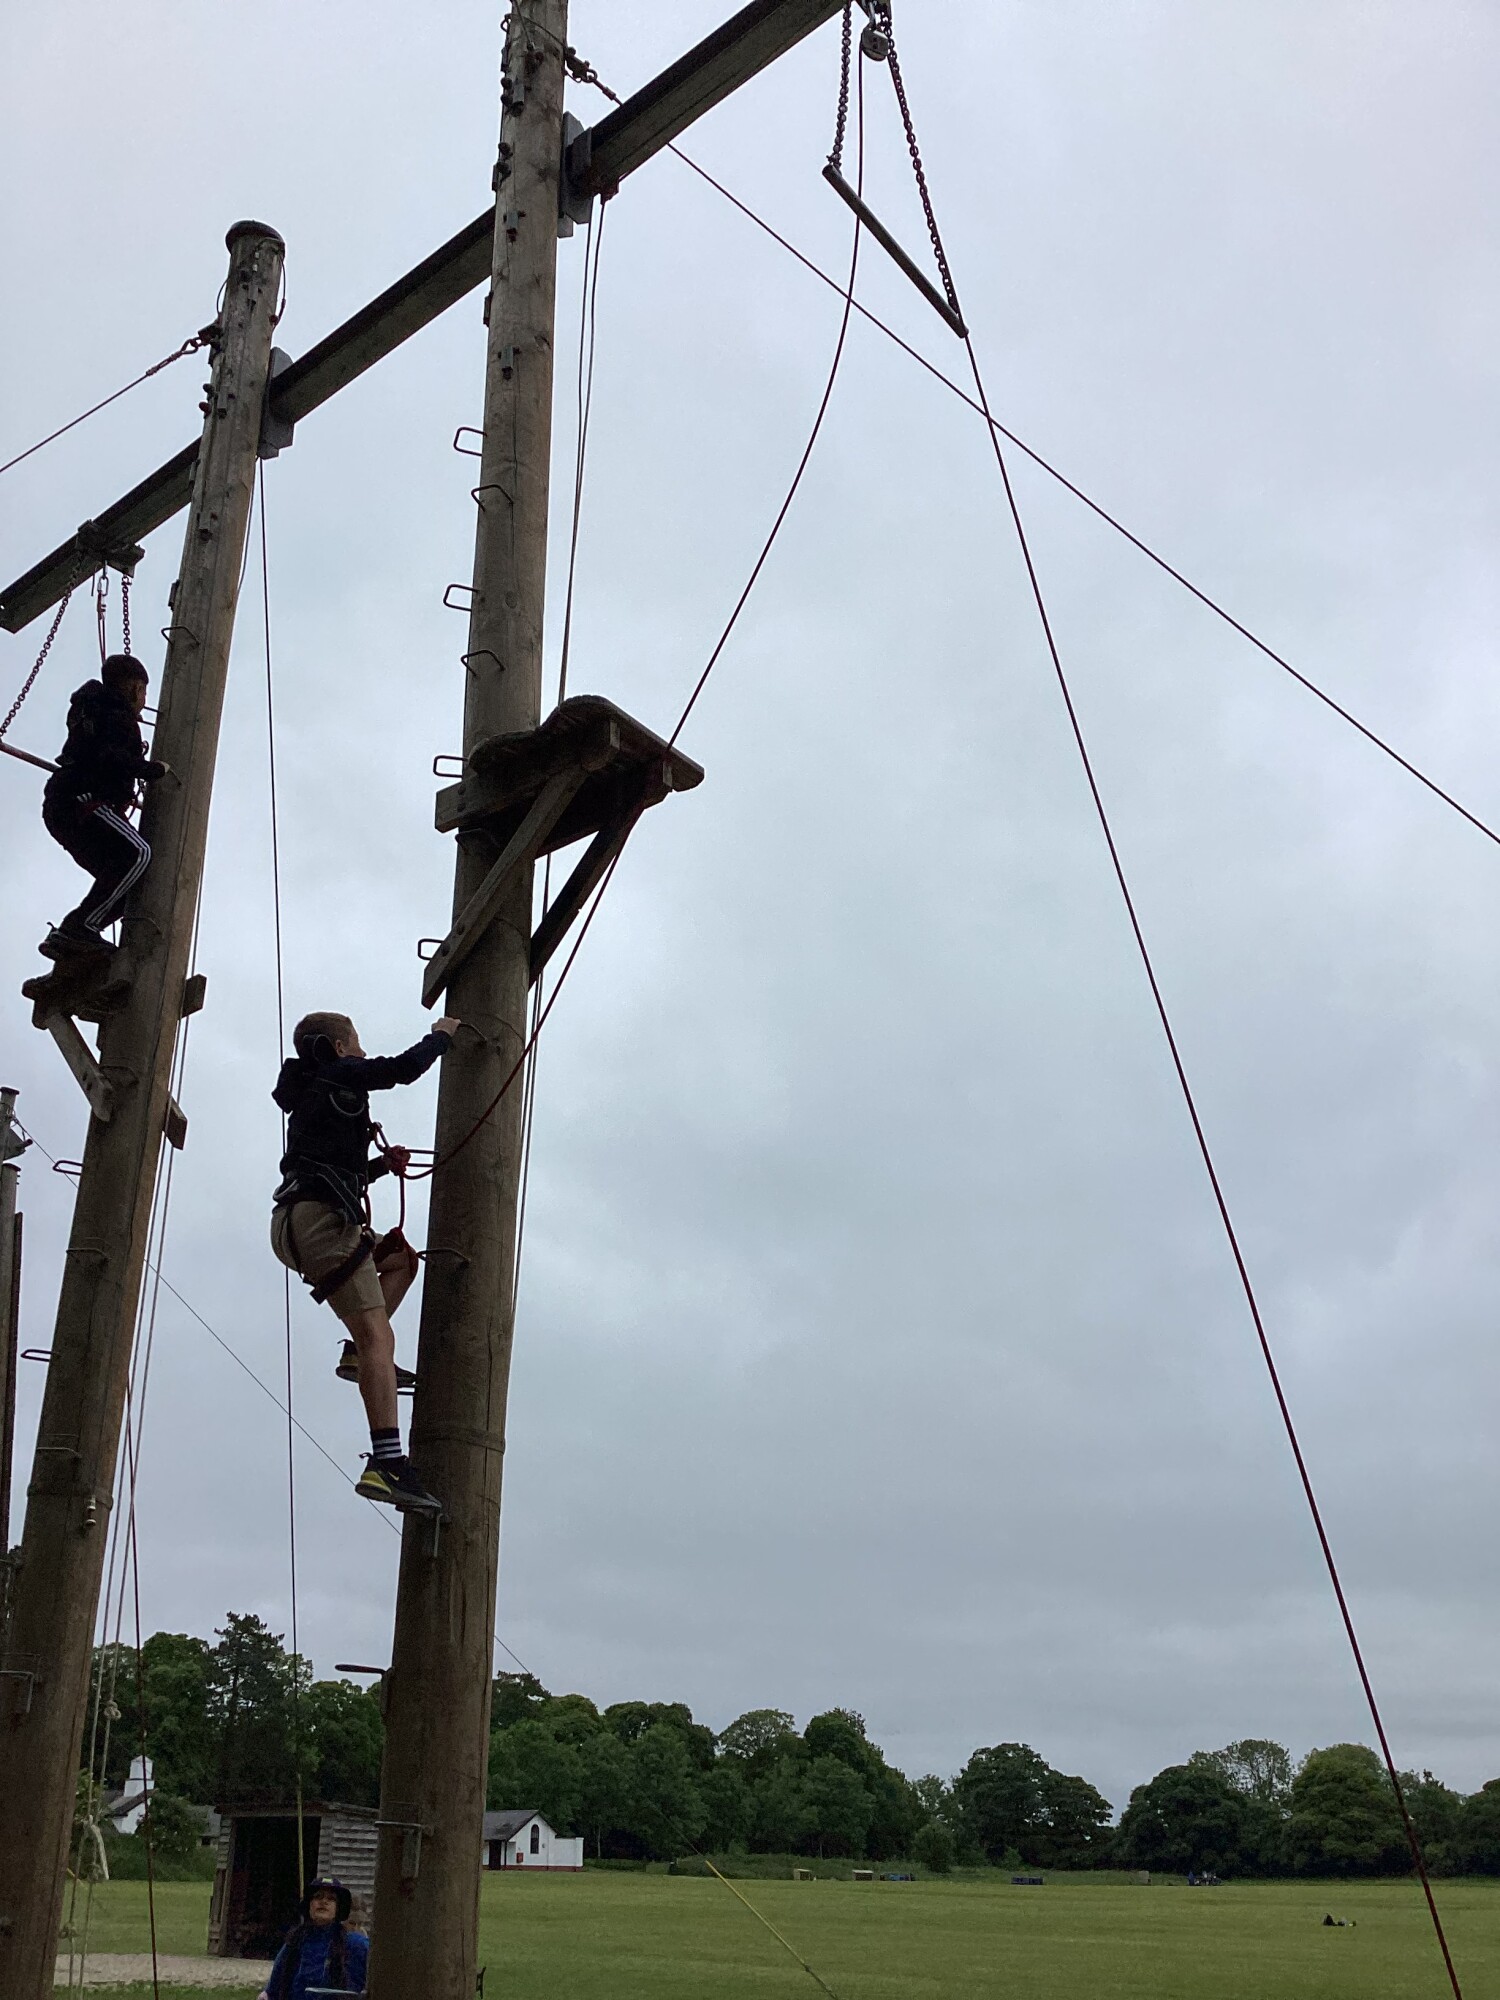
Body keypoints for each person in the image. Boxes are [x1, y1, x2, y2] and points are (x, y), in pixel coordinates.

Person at [271, 1009, 458, 1515]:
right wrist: (440, 1038)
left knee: (400, 1261)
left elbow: (327, 1163)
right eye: (355, 1042)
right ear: (337, 1048)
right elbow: (399, 1069)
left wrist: (379, 1166)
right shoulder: (339, 1074)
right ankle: (387, 1464)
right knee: (381, 1336)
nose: (361, 1051)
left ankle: (358, 1356)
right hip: (321, 1223)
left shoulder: (315, 1092)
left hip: (301, 1219)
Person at [40, 652, 166, 959]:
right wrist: (151, 770)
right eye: (143, 692)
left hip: (65, 806)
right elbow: (111, 758)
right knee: (138, 854)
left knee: (123, 879)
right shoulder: (115, 716)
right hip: (84, 800)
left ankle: (74, 939)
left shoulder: (93, 711)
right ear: (135, 689)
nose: (143, 701)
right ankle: (79, 928)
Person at [257, 1877, 368, 1999]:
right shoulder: (294, 1943)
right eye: (318, 1897)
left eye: (331, 1898)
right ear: (309, 1905)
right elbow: (273, 1988)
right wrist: (266, 1995)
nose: (323, 1901)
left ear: (338, 1908)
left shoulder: (357, 1945)